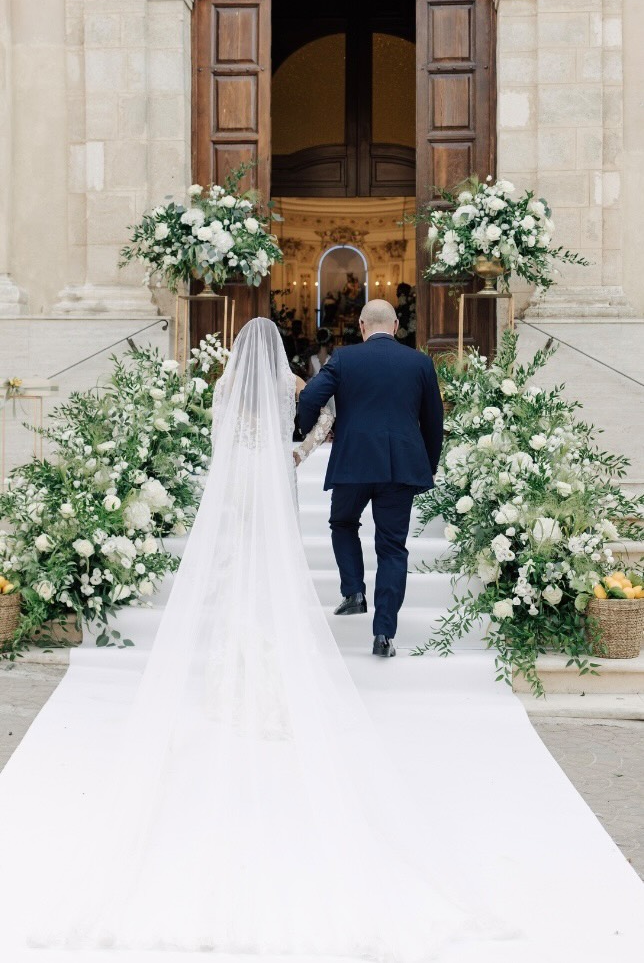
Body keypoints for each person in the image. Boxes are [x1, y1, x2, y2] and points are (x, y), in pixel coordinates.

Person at [12, 318, 496, 960]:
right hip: (295, 472)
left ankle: (233, 675)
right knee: (328, 558)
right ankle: (359, 634)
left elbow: (236, 429)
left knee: (242, 566)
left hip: (240, 481)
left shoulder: (236, 385)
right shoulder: (312, 381)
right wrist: (300, 449)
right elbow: (327, 416)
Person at [298, 299, 443, 658]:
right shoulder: (420, 362)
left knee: (343, 522)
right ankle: (383, 634)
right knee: (392, 547)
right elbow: (433, 420)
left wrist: (305, 428)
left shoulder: (344, 358)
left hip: (354, 461)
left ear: (362, 326)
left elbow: (311, 395)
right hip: (401, 466)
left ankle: (354, 591)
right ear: (396, 326)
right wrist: (429, 464)